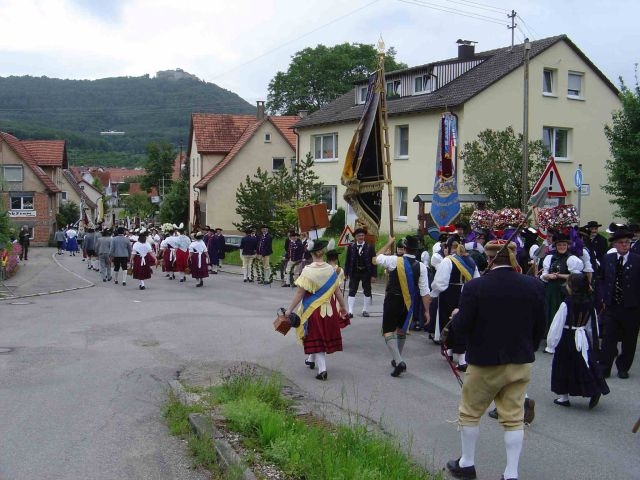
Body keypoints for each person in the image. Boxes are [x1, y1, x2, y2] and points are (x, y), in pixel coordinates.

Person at [446, 240, 545, 480]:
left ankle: (467, 464)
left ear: (489, 259)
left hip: (484, 362)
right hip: (520, 360)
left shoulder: (475, 287)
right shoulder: (534, 285)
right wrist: (527, 349)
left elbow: (462, 327)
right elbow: (540, 326)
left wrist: (456, 317)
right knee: (514, 418)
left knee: (470, 413)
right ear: (512, 257)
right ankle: (511, 473)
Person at [284, 239, 349, 381]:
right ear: (323, 253)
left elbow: (299, 293)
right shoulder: (331, 269)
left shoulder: (308, 270)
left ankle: (322, 370)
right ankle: (311, 360)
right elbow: (337, 291)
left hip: (313, 311)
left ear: (311, 253)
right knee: (318, 337)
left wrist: (289, 310)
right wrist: (343, 308)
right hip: (330, 311)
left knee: (317, 338)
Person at [547, 273, 610, 408]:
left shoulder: (567, 303)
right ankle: (593, 389)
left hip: (567, 338)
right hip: (582, 337)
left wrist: (551, 344)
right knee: (584, 365)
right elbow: (592, 325)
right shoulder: (589, 302)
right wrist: (591, 340)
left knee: (563, 366)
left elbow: (557, 324)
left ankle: (564, 397)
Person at [375, 236, 431, 377]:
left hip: (392, 299)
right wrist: (427, 311)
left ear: (404, 248)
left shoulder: (394, 260)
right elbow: (425, 292)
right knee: (401, 330)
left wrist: (389, 243)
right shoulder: (422, 267)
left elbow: (376, 258)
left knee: (388, 331)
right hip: (408, 302)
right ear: (416, 250)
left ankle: (399, 361)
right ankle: (397, 359)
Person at [429, 236, 480, 369]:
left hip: (450, 294)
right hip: (467, 294)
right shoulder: (471, 260)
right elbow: (476, 279)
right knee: (463, 322)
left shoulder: (448, 260)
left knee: (449, 323)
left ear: (449, 247)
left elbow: (440, 282)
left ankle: (459, 358)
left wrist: (433, 294)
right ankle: (452, 352)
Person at [597, 228, 640, 379]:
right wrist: (603, 298)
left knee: (629, 339)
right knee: (608, 338)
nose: (624, 245)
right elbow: (601, 279)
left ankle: (623, 367)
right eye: (621, 242)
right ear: (615, 244)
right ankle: (604, 367)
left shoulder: (637, 260)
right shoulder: (608, 258)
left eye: (627, 242)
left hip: (632, 307)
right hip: (612, 306)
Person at [541, 233, 583, 345]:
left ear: (568, 245)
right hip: (551, 290)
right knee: (551, 312)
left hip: (566, 290)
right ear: (556, 246)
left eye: (564, 245)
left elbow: (576, 276)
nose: (562, 247)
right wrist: (548, 276)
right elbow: (544, 274)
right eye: (559, 245)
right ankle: (550, 338)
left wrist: (560, 276)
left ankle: (562, 338)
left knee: (563, 314)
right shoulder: (550, 258)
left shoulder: (572, 258)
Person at [344, 228, 376, 318]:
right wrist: (345, 273)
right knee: (352, 290)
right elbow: (347, 261)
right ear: (355, 237)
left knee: (367, 291)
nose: (361, 237)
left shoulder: (370, 247)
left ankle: (365, 310)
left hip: (366, 272)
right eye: (359, 236)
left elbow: (374, 262)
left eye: (362, 235)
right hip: (354, 272)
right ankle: (350, 311)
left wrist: (374, 275)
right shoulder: (351, 247)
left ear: (364, 236)